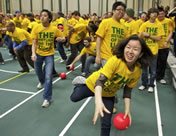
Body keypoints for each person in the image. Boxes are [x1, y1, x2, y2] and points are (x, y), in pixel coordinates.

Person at [70, 35, 154, 136]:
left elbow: (128, 90)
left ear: (140, 54)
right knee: (74, 98)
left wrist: (127, 110)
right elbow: (99, 82)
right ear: (123, 49)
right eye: (128, 47)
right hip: (93, 85)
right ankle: (81, 83)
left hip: (108, 94)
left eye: (135, 49)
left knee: (106, 123)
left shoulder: (137, 70)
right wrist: (98, 102)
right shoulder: (116, 60)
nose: (131, 51)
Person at [31, 9, 65, 108]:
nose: (42, 17)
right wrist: (33, 53)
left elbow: (63, 37)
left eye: (45, 15)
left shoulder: (54, 29)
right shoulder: (36, 28)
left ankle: (47, 98)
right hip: (38, 54)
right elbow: (33, 43)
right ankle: (41, 82)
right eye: (41, 15)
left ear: (49, 18)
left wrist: (61, 39)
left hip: (49, 55)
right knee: (38, 71)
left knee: (48, 76)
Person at [138, 8, 164, 92]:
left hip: (154, 51)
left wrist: (148, 35)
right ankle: (144, 84)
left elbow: (159, 38)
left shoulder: (159, 25)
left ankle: (151, 85)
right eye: (153, 13)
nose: (155, 14)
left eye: (156, 13)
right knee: (144, 70)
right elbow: (139, 36)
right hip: (145, 52)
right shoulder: (144, 25)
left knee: (152, 71)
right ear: (149, 14)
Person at [156, 8, 173, 84]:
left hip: (164, 45)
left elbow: (171, 32)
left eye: (162, 14)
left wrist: (166, 41)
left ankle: (160, 77)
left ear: (164, 14)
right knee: (155, 62)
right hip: (155, 46)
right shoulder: (154, 21)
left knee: (162, 62)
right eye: (159, 14)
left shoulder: (168, 21)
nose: (160, 15)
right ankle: (153, 75)